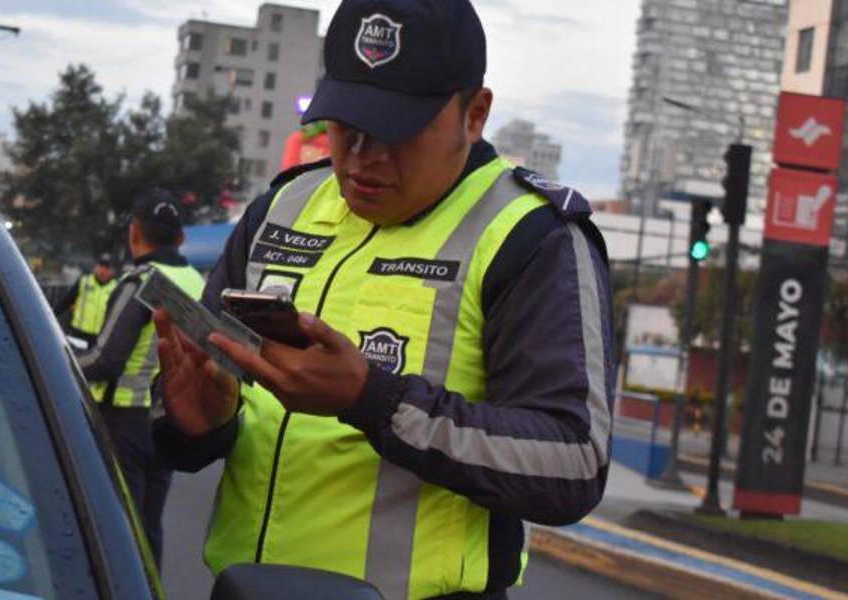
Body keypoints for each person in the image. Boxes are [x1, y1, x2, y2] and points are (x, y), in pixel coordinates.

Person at [150, 1, 615, 598]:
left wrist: (373, 400)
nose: (364, 155)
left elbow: (573, 462)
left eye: (399, 129)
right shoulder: (282, 209)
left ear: (474, 114)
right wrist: (198, 423)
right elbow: (207, 413)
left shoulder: (530, 237)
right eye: (348, 124)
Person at [79, 189, 205, 566]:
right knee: (149, 527)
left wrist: (53, 363)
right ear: (180, 238)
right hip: (171, 421)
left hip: (126, 420)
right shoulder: (198, 282)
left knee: (120, 526)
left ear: (134, 231)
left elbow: (106, 360)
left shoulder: (141, 281)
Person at [53, 254, 118, 348]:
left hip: (99, 338)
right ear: (96, 267)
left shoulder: (116, 288)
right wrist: (51, 316)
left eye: (107, 267)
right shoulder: (84, 281)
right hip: (78, 334)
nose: (103, 270)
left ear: (112, 271)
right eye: (101, 266)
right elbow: (66, 302)